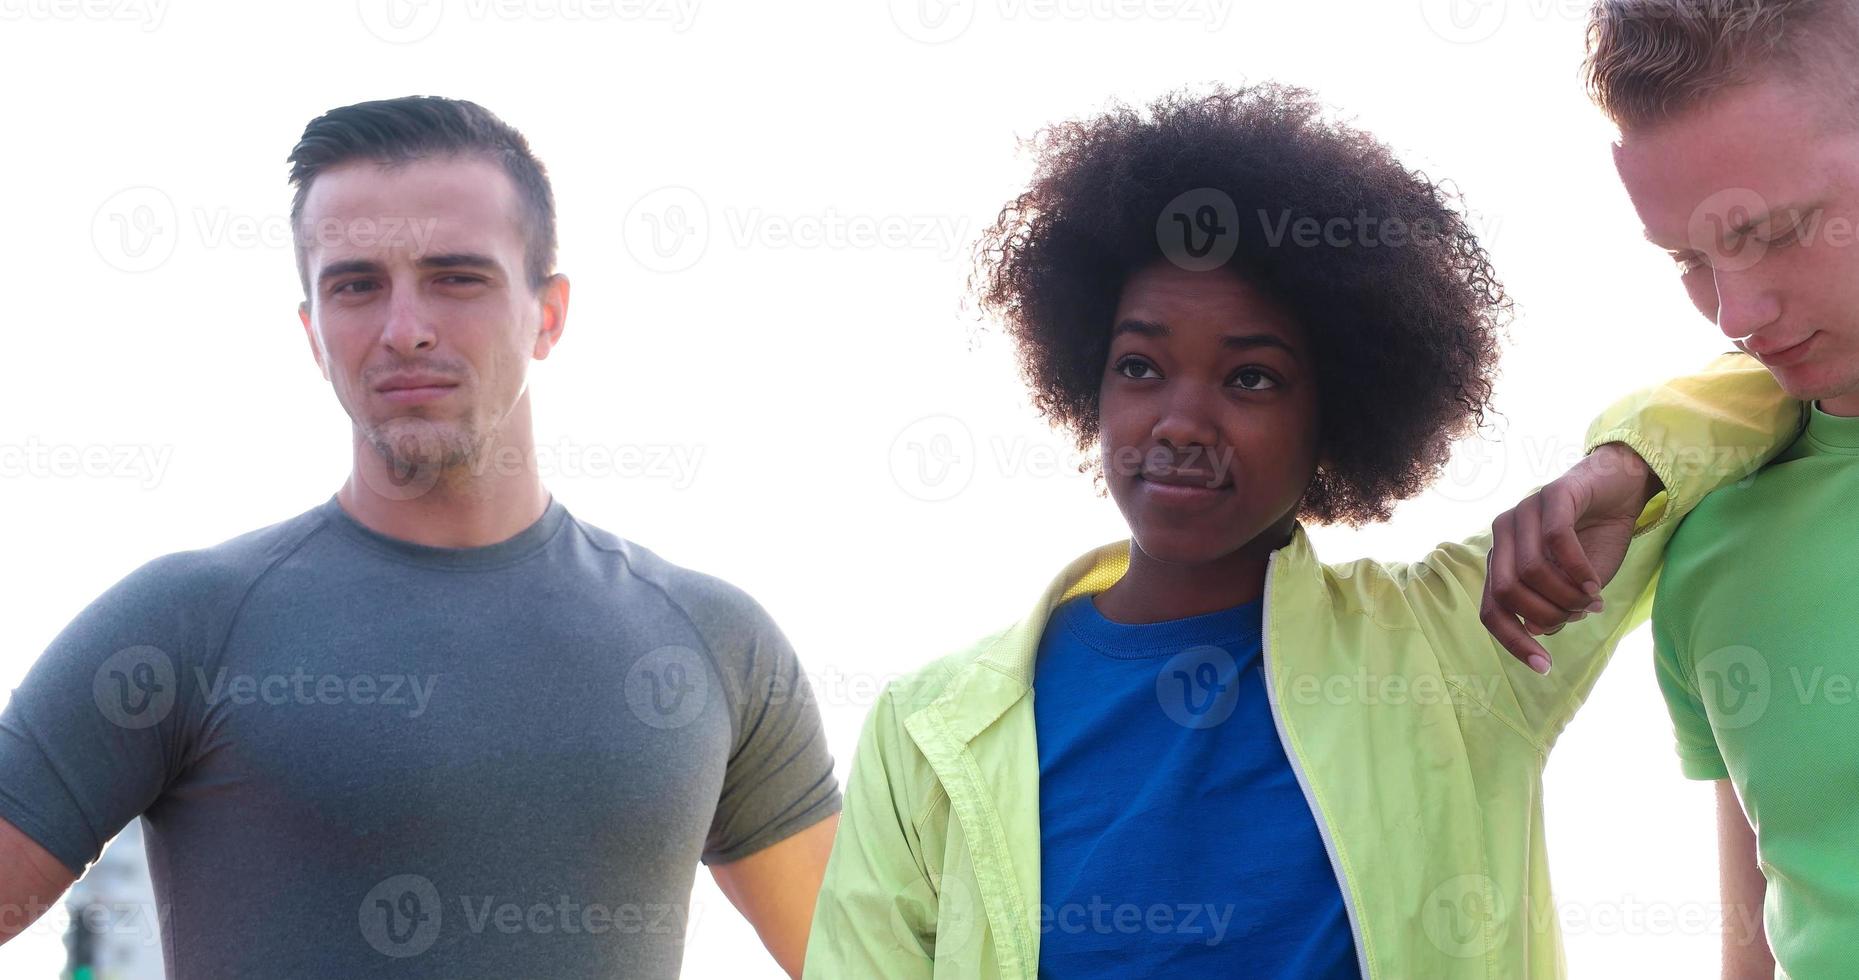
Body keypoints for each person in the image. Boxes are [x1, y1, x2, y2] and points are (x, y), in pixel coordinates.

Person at [801, 83, 1801, 978]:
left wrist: (1619, 466)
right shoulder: (931, 727)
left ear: (1335, 414)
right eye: (1139, 366)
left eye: (1250, 378)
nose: (1180, 420)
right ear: (1085, 381)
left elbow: (1776, 380)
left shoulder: (1463, 641)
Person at [0, 96, 841, 978]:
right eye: (356, 284)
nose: (405, 328)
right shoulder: (182, 624)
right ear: (312, 335)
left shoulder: (714, 643)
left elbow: (871, 966)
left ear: (548, 314)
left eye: (457, 277)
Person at [1490, 3, 1859, 976]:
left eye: (1775, 232)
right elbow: (1757, 939)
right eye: (1688, 259)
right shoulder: (1704, 548)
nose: (1736, 314)